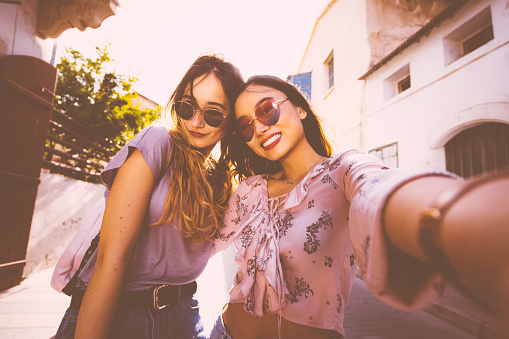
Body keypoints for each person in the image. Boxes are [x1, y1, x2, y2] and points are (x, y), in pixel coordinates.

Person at [209, 75, 509, 339]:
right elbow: (200, 244)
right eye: (246, 126)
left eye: (266, 110)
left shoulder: (343, 171)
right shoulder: (248, 190)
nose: (259, 127)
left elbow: (377, 190)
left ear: (299, 107)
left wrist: (447, 217)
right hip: (227, 333)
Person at [54, 54, 244, 339]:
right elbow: (110, 258)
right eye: (187, 106)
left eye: (213, 113)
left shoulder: (222, 181)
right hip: (120, 314)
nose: (196, 121)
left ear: (231, 122)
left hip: (183, 316)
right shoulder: (158, 142)